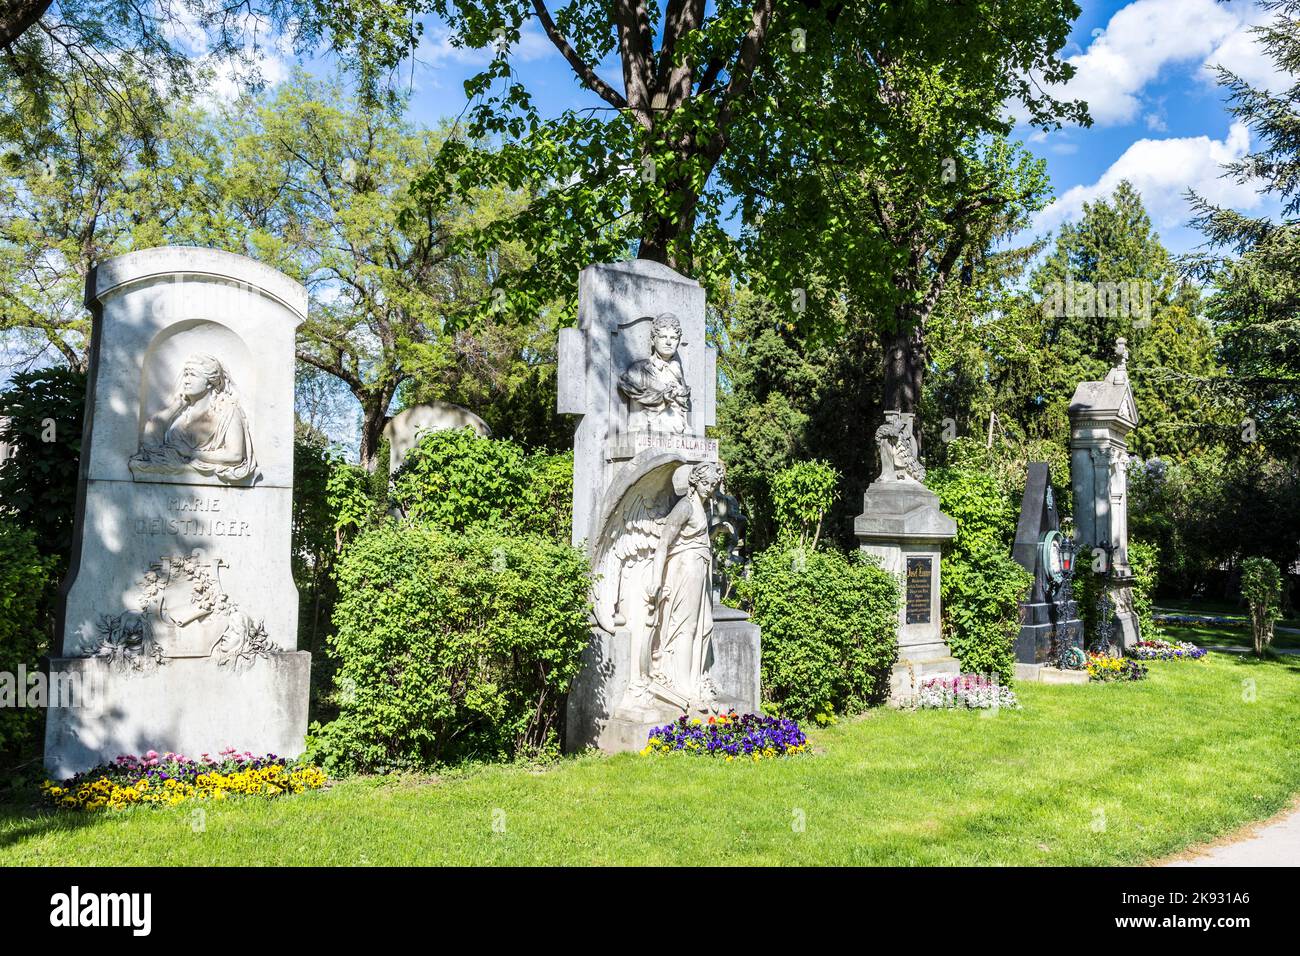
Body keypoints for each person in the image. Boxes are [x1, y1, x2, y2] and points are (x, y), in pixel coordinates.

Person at [646, 461, 724, 702]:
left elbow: (698, 537)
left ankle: (694, 678)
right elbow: (663, 542)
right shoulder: (685, 507)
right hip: (686, 568)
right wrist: (656, 578)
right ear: (694, 482)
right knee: (685, 626)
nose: (710, 488)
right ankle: (683, 685)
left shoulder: (701, 507)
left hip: (700, 567)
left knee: (705, 625)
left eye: (712, 484)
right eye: (705, 483)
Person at [129, 352, 256, 482]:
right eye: (186, 375)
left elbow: (235, 455)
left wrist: (192, 453)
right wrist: (175, 407)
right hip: (169, 467)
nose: (186, 381)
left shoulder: (227, 411)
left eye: (193, 375)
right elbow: (150, 436)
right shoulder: (182, 411)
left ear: (209, 382)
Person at [618, 312, 691, 434]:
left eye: (673, 338)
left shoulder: (677, 372)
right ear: (653, 339)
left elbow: (683, 406)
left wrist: (679, 393)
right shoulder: (638, 370)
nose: (668, 342)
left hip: (677, 434)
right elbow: (634, 392)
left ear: (678, 341)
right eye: (663, 337)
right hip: (647, 429)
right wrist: (663, 397)